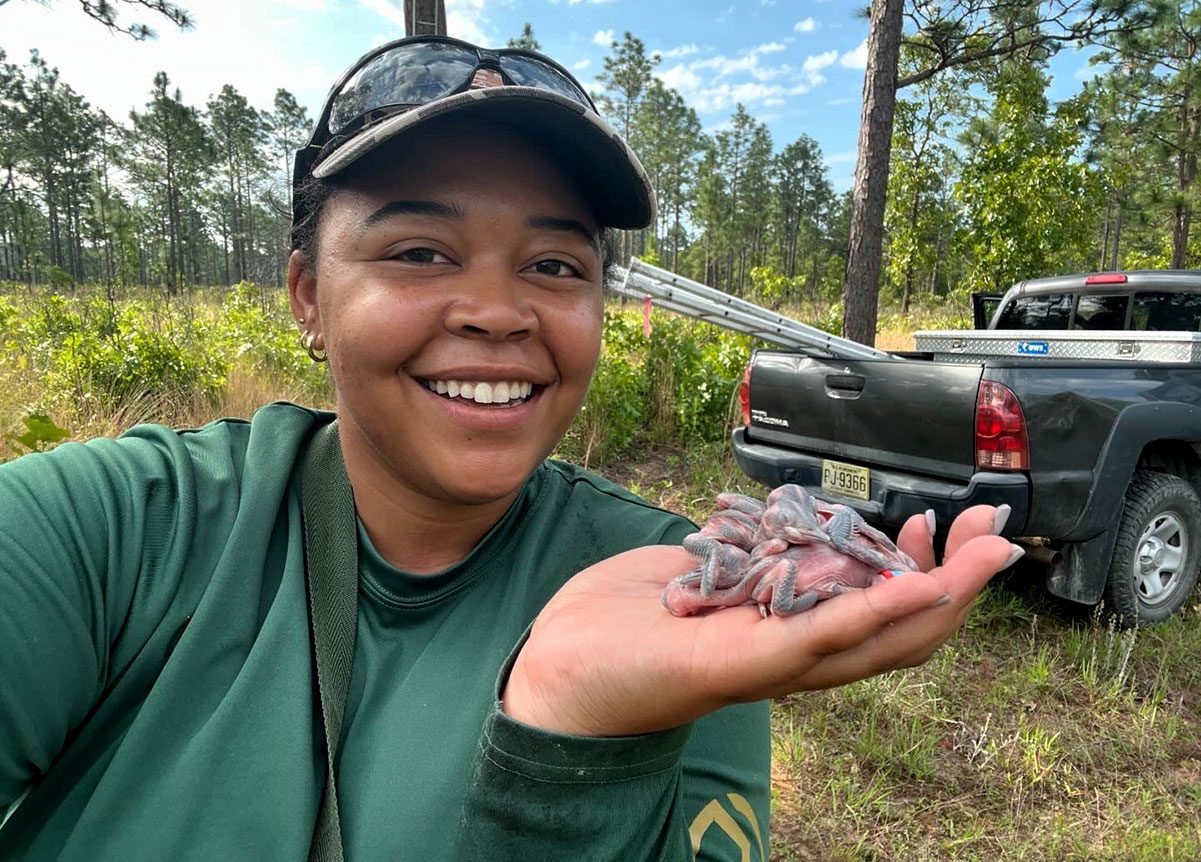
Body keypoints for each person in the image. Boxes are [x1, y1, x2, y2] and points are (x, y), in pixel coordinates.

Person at [0, 35, 1022, 861]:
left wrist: (567, 745)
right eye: (418, 251)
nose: (497, 310)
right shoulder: (107, 530)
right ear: (308, 295)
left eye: (551, 262)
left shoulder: (684, 604)